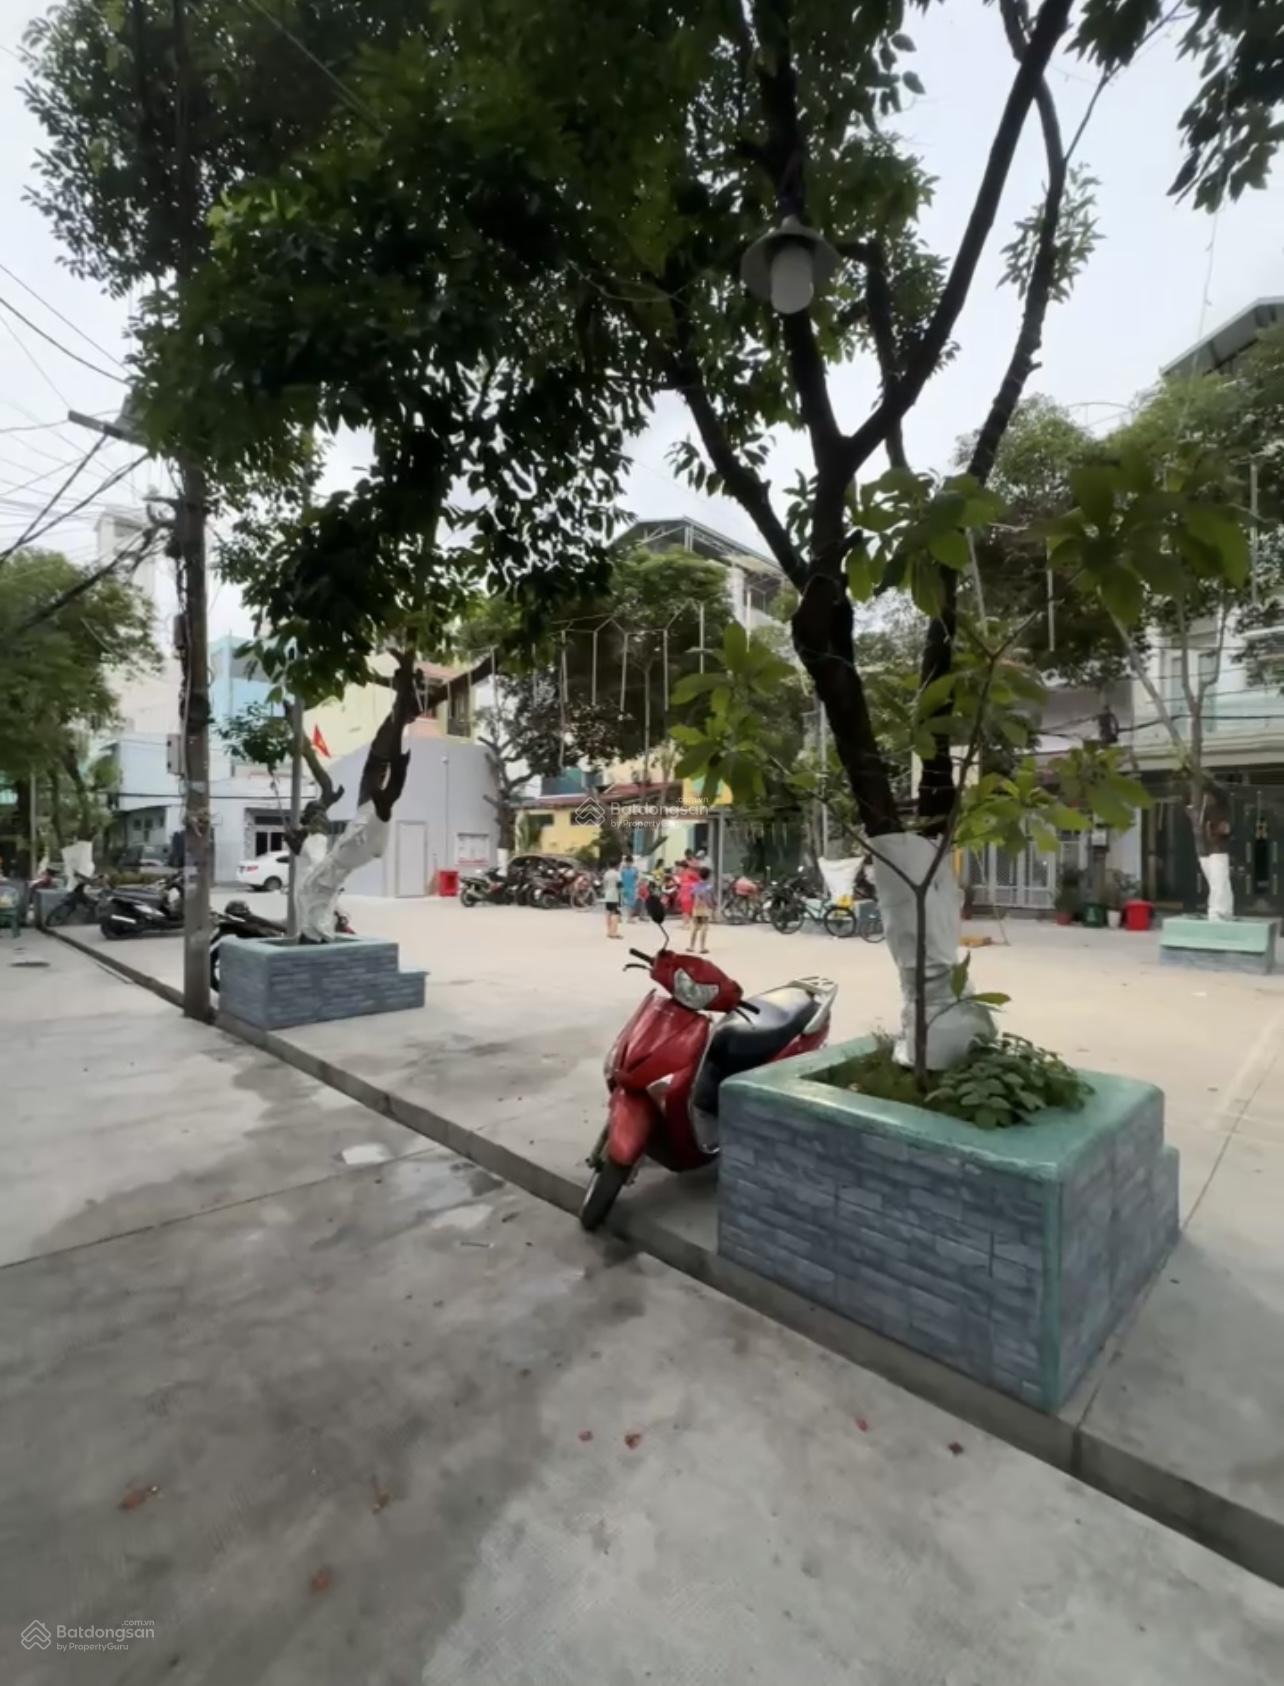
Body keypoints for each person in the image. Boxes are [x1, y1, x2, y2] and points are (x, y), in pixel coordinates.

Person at [688, 865, 714, 953]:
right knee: (704, 926)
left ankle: (691, 946)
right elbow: (710, 899)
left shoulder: (695, 885)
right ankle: (702, 947)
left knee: (695, 926)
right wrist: (712, 906)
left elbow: (691, 895)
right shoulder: (709, 887)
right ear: (708, 876)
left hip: (696, 907)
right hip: (705, 908)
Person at [601, 861, 622, 939]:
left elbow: (604, 884)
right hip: (614, 895)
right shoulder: (617, 874)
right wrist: (622, 894)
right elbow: (619, 884)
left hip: (607, 894)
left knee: (608, 913)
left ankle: (609, 931)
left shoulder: (606, 874)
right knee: (615, 913)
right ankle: (614, 932)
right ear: (617, 865)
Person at [619, 854, 640, 923]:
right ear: (625, 862)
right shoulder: (623, 870)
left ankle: (629, 918)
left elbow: (637, 878)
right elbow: (620, 879)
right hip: (625, 889)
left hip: (632, 888)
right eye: (627, 862)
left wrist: (637, 884)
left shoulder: (635, 870)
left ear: (632, 862)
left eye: (630, 862)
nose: (628, 864)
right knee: (626, 903)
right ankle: (626, 918)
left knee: (631, 904)